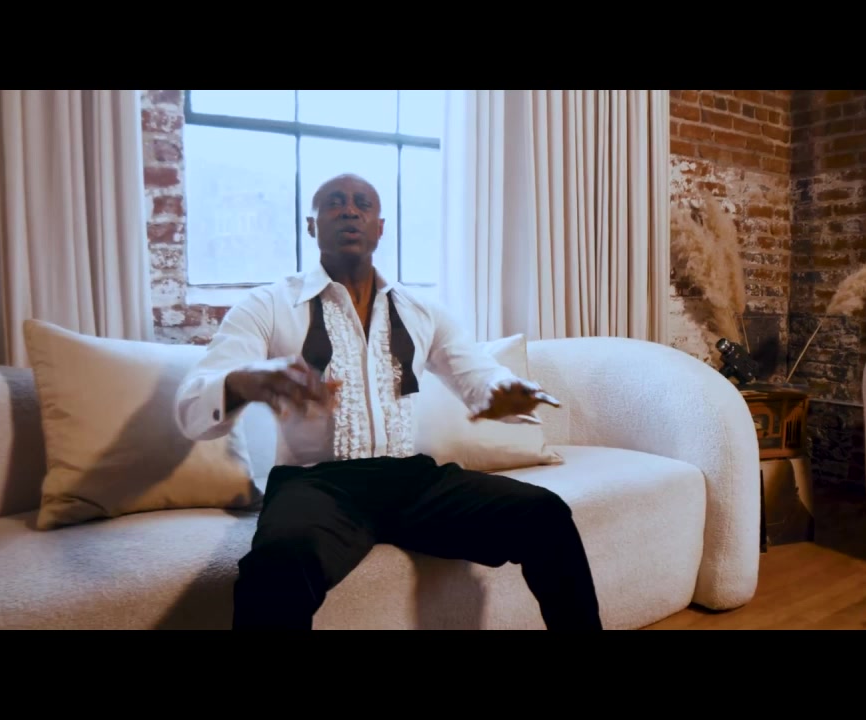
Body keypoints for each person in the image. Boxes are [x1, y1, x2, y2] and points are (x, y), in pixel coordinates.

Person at [173, 173, 603, 630]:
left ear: (380, 227)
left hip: (410, 481)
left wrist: (504, 392)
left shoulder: (422, 310)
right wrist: (246, 382)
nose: (350, 210)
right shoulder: (267, 305)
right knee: (278, 562)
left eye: (363, 203)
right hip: (315, 485)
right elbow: (192, 407)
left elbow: (478, 375)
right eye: (335, 202)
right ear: (311, 224)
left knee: (544, 514)